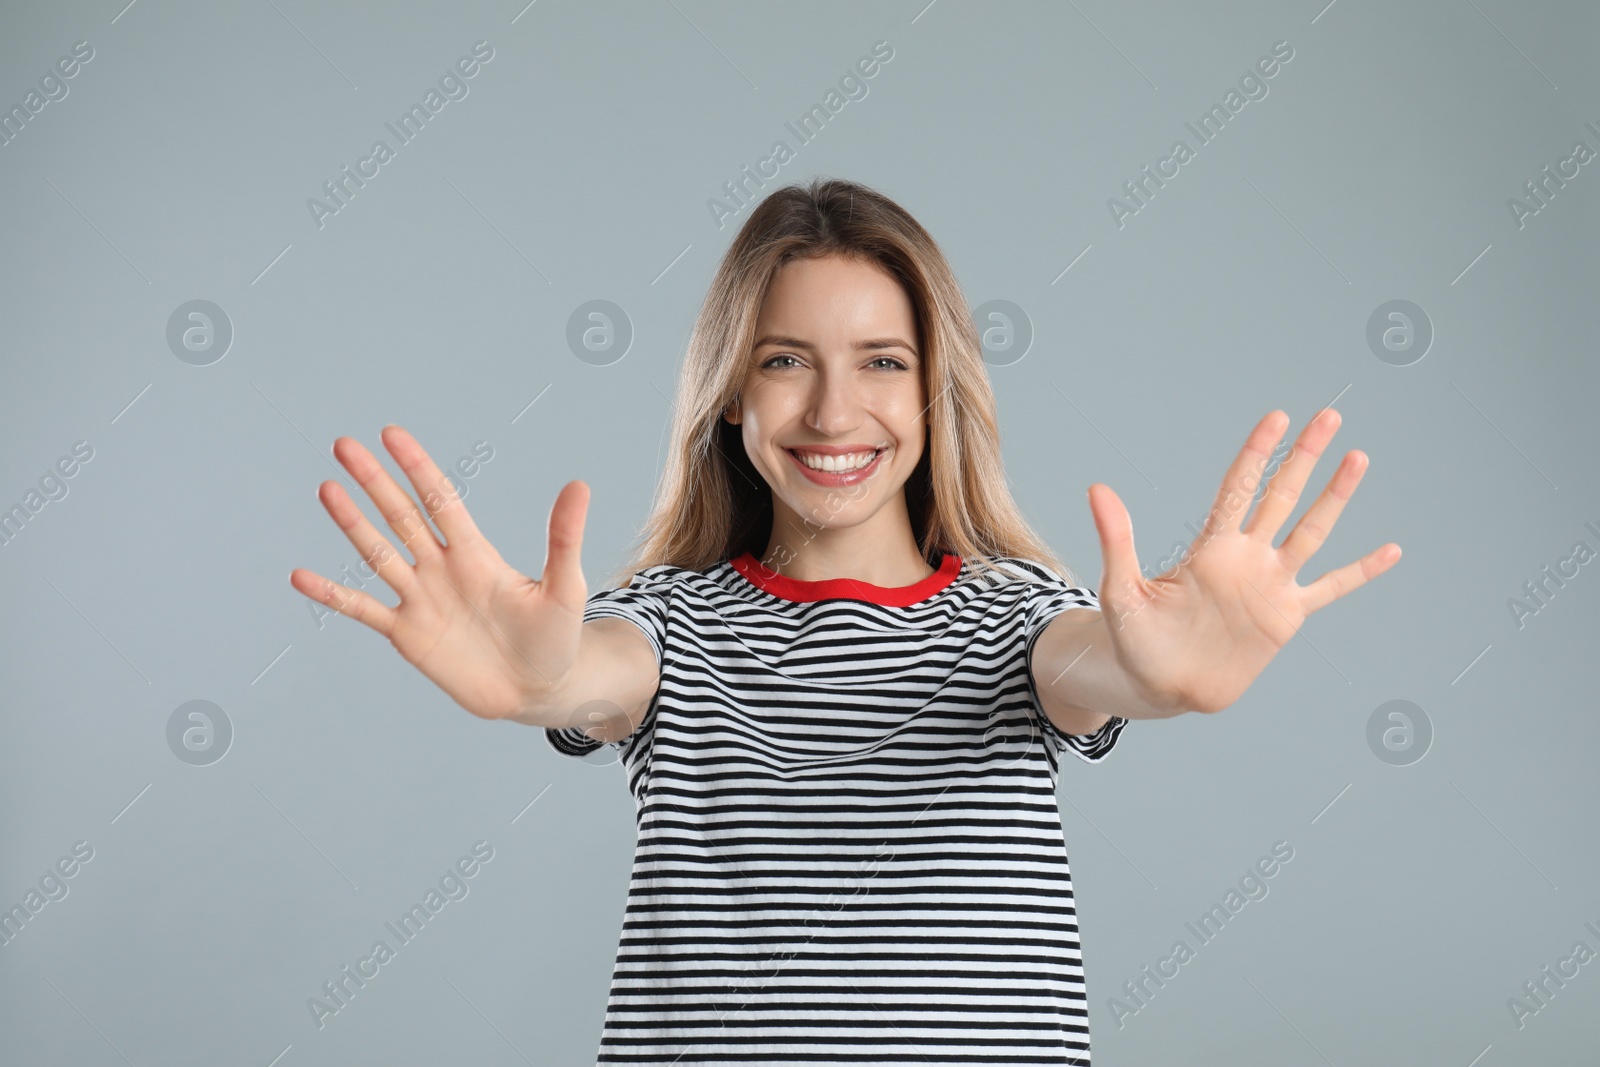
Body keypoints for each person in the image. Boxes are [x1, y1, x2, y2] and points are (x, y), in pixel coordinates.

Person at [289, 177, 1400, 1065]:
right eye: (784, 361)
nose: (831, 411)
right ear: (730, 391)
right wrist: (542, 682)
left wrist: (1163, 674)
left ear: (933, 391)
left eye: (882, 361)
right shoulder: (666, 627)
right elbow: (595, 669)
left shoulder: (1017, 617)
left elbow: (1093, 663)